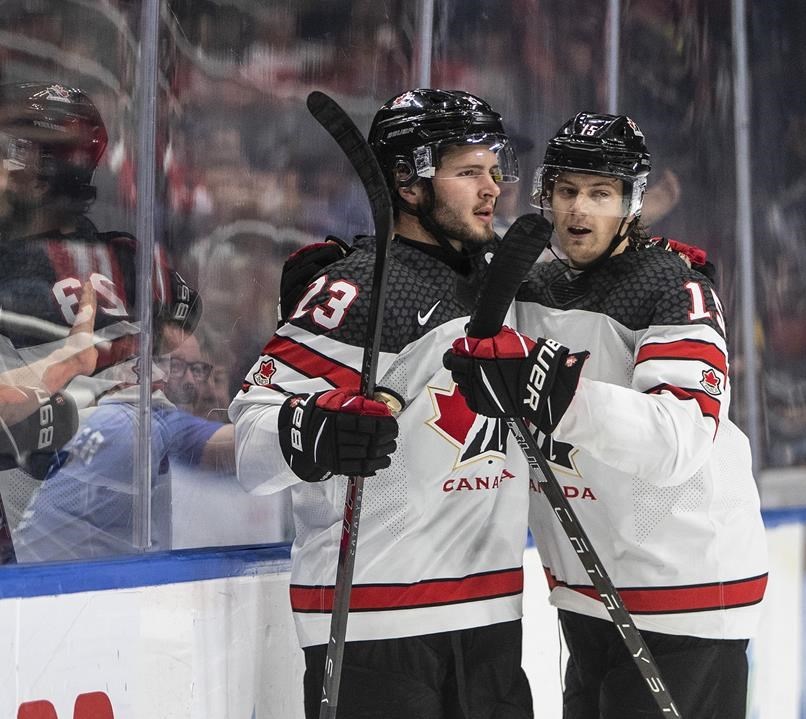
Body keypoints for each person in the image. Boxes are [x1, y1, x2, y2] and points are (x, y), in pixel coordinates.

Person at [444, 113, 769, 718]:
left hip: (684, 592)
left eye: (601, 194)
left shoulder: (674, 287)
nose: (579, 211)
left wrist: (556, 394)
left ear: (632, 202)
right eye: (567, 191)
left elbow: (679, 438)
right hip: (588, 592)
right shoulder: (532, 284)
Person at [229, 89, 534, 719]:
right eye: (469, 172)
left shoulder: (501, 279)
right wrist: (316, 433)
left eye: (495, 171)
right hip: (374, 621)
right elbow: (250, 446)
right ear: (409, 180)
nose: (492, 189)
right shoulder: (357, 289)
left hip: (491, 614)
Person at [0, 81, 202, 562]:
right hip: (74, 516)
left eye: (6, 154)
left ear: (37, 173)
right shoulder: (127, 257)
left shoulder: (125, 258)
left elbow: (180, 333)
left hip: (56, 521)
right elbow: (180, 318)